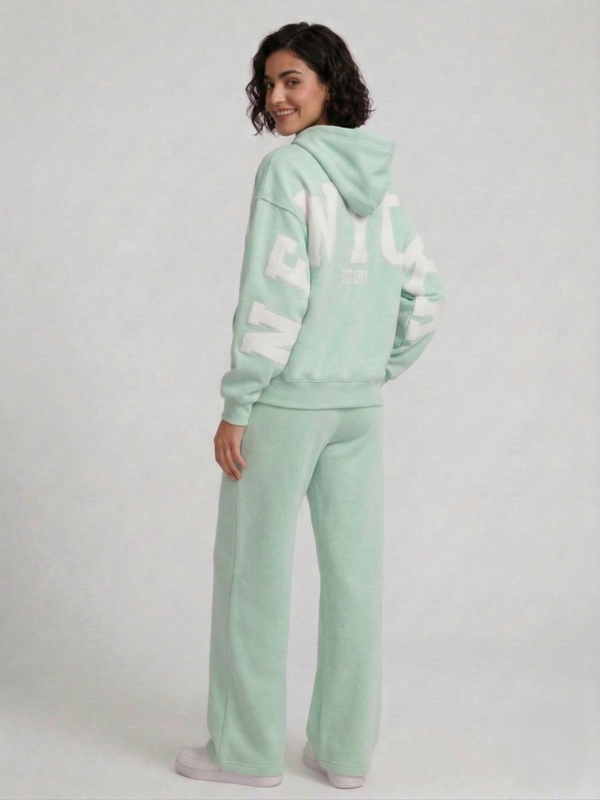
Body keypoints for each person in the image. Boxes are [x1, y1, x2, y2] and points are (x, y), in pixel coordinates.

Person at [175, 21, 444, 790]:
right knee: (355, 581)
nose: (276, 96)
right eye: (268, 82)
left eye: (292, 79)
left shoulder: (286, 172)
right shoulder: (379, 181)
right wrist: (370, 367)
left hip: (287, 407)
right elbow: (424, 292)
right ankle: (344, 754)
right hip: (357, 410)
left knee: (252, 577)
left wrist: (239, 402)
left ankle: (246, 752)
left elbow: (275, 294)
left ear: (329, 82)